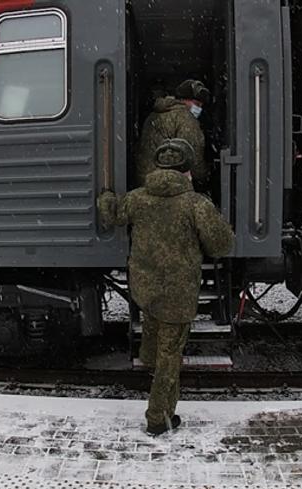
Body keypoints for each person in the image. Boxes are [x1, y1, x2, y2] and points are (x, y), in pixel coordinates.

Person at [99, 138, 234, 435]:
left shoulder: (137, 198)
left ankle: (153, 368)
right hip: (178, 293)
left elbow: (112, 215)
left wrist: (106, 196)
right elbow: (221, 245)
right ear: (187, 171)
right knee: (170, 357)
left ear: (157, 167)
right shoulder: (196, 204)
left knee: (155, 334)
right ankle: (158, 418)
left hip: (145, 288)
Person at [135, 79, 212, 191]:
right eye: (196, 104)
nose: (199, 109)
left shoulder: (156, 112)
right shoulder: (185, 118)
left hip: (147, 180)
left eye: (201, 105)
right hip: (169, 184)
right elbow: (194, 157)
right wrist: (205, 176)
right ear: (183, 100)